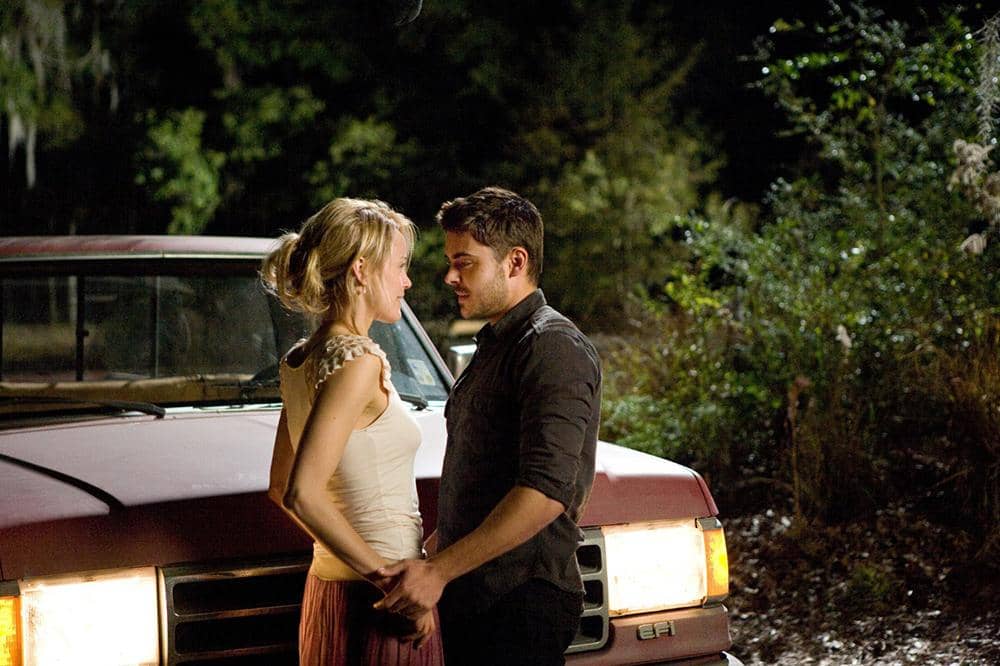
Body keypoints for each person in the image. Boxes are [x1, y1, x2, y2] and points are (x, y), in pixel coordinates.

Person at [377, 187, 602, 665]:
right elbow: (480, 485)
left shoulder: (552, 347)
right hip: (474, 599)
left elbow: (545, 491)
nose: (449, 277)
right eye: (449, 262)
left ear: (515, 262)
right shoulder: (497, 345)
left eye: (465, 263)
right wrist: (427, 559)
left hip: (519, 604)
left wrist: (437, 571)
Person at [260, 197, 444, 666]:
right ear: (361, 270)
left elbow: (280, 488)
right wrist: (391, 583)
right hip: (381, 601)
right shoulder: (358, 361)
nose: (407, 281)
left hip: (329, 590)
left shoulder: (299, 360)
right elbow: (301, 493)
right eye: (400, 266)